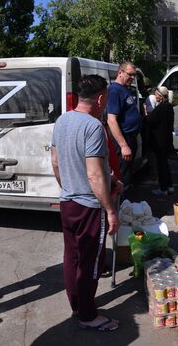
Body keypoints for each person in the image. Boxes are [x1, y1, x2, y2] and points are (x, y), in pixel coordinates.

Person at [51, 75, 122, 332]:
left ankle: (77, 306)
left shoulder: (62, 120)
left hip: (68, 202)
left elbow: (57, 163)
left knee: (71, 257)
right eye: (106, 98)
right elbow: (93, 174)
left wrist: (69, 186)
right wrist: (111, 209)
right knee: (91, 260)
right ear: (100, 98)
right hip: (90, 206)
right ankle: (88, 315)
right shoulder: (93, 127)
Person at [107, 62, 141, 192]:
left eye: (134, 75)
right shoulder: (114, 90)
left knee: (126, 176)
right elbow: (111, 120)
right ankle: (119, 209)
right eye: (130, 74)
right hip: (123, 140)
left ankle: (124, 206)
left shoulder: (124, 89)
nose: (132, 78)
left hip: (130, 138)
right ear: (120, 72)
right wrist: (123, 145)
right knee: (121, 177)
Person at [147, 86, 175, 196]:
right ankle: (170, 186)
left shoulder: (161, 108)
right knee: (165, 164)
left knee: (161, 165)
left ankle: (163, 188)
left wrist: (145, 114)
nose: (155, 96)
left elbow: (150, 120)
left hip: (159, 141)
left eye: (156, 94)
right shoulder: (169, 106)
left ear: (159, 95)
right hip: (167, 139)